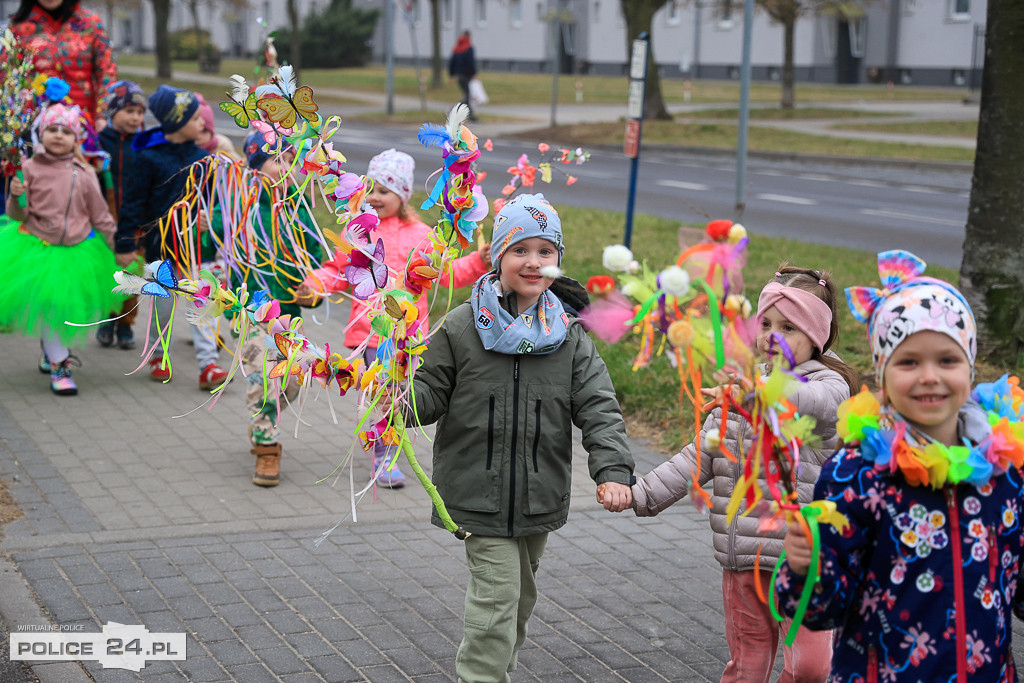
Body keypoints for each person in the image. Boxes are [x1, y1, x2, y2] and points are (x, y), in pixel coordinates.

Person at [407, 193, 635, 682]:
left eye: (545, 251)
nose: (533, 262)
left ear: (557, 261)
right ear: (498, 256)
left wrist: (613, 470)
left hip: (538, 495)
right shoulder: (463, 326)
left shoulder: (569, 335)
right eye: (519, 250)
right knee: (496, 599)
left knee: (519, 599)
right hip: (475, 494)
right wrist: (394, 397)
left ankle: (498, 671)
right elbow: (428, 393)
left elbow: (599, 407)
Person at [777, 251, 1024, 681]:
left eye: (947, 360)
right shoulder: (856, 475)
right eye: (908, 362)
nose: (930, 376)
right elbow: (820, 612)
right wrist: (803, 569)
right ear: (883, 377)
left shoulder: (1005, 474)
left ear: (969, 367)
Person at [632, 266, 860, 683]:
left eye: (789, 327)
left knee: (812, 669)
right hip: (745, 559)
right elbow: (699, 456)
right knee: (748, 667)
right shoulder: (744, 389)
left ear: (817, 336)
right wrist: (641, 494)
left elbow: (807, 402)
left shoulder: (831, 389)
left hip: (805, 560)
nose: (772, 336)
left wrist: (760, 395)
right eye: (766, 324)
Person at [303, 148, 490, 488]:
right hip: (369, 334)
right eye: (370, 188)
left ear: (403, 195)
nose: (374, 196)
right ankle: (383, 457)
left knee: (398, 395)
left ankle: (387, 453)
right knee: (379, 394)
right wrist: (317, 285)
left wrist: (479, 261)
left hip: (407, 337)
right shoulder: (358, 230)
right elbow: (340, 270)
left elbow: (446, 272)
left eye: (384, 191)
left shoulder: (420, 234)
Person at [208, 132, 323, 487]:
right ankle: (266, 446)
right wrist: (200, 228)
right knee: (264, 376)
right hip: (250, 313)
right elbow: (209, 238)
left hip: (289, 315)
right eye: (277, 160)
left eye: (290, 160)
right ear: (255, 167)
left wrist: (313, 293)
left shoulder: (298, 210)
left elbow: (315, 264)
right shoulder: (233, 206)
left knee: (293, 380)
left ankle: (263, 417)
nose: (286, 167)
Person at [0, 104, 121, 396]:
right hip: (38, 248)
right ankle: (59, 365)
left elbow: (100, 214)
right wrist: (16, 197)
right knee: (54, 311)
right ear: (41, 134)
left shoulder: (85, 173)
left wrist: (117, 245)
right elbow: (16, 215)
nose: (58, 135)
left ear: (76, 138)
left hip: (76, 251)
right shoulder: (28, 168)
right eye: (52, 129)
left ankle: (50, 352)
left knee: (63, 312)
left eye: (65, 131)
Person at [114, 84, 228, 390]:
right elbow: (133, 204)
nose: (203, 122)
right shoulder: (148, 159)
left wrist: (210, 221)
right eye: (194, 118)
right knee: (162, 309)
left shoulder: (204, 159)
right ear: (177, 123)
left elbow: (214, 204)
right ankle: (157, 354)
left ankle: (209, 364)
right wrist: (125, 242)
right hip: (160, 250)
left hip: (197, 251)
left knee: (202, 304)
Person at [95, 80, 146, 351]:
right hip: (105, 217)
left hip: (134, 219)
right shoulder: (100, 142)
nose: (136, 118)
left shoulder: (143, 144)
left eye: (139, 113)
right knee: (108, 272)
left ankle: (126, 323)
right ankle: (107, 317)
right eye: (129, 111)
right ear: (112, 112)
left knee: (132, 273)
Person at [9, 0, 116, 126]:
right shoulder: (19, 27)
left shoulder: (90, 23)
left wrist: (102, 116)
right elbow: (9, 76)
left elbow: (106, 71)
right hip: (36, 121)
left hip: (83, 121)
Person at [195, 93, 240, 159]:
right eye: (195, 132)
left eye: (204, 131)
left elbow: (239, 165)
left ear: (211, 132)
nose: (198, 136)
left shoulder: (222, 148)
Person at [448, 30, 478, 122]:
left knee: (467, 96)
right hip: (467, 75)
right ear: (469, 37)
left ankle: (471, 116)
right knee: (467, 96)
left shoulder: (457, 48)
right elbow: (470, 63)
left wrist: (451, 74)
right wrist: (473, 73)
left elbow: (451, 62)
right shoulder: (468, 48)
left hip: (459, 76)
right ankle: (454, 109)